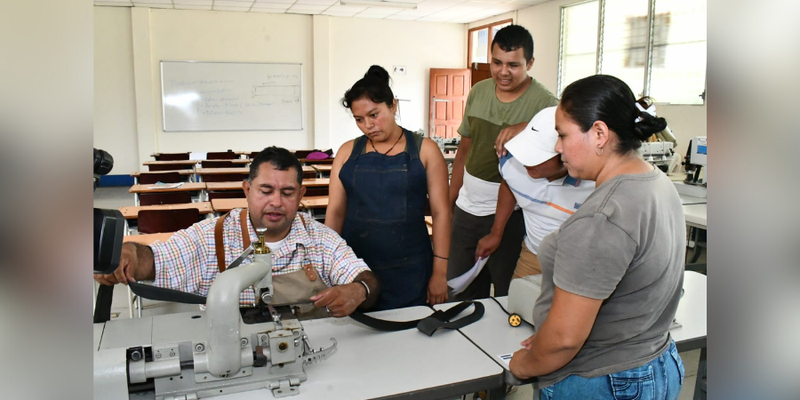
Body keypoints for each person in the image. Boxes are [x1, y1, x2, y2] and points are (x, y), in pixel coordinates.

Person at [508, 75, 685, 400]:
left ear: (600, 134)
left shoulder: (602, 216)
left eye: (562, 135)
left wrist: (526, 363)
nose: (558, 147)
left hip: (602, 379)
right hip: (655, 361)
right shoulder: (657, 183)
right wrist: (551, 337)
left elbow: (564, 339)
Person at [94, 146, 379, 317]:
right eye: (265, 191)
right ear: (246, 190)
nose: (276, 202)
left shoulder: (320, 239)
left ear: (301, 194)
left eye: (288, 193)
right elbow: (158, 259)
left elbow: (365, 279)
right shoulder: (212, 238)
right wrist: (130, 252)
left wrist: (359, 289)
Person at [326, 65, 451, 310]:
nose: (368, 125)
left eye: (374, 114)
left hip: (411, 269)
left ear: (393, 105)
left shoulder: (425, 151)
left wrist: (440, 272)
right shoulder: (346, 152)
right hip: (357, 269)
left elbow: (441, 214)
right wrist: (329, 265)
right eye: (359, 119)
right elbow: (335, 212)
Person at [448, 24, 558, 300]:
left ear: (530, 63)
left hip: (511, 216)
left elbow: (557, 165)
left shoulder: (546, 105)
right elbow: (464, 149)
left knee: (509, 295)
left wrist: (526, 127)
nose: (503, 72)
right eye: (496, 62)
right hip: (466, 210)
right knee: (459, 290)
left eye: (513, 65)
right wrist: (450, 200)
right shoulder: (479, 91)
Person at [475, 106, 595, 278]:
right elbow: (510, 185)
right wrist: (496, 232)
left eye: (536, 157)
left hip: (580, 264)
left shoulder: (595, 182)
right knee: (520, 302)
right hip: (533, 255)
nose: (526, 162)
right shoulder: (511, 164)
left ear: (564, 153)